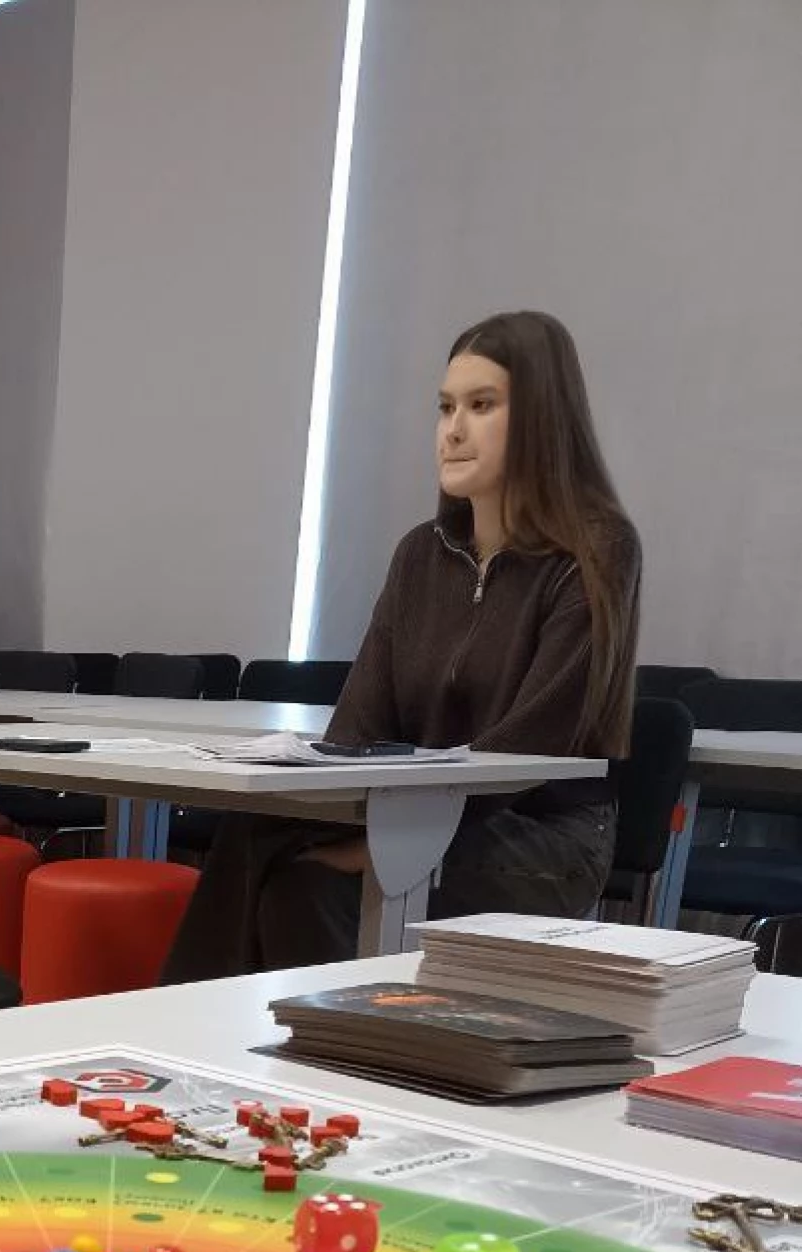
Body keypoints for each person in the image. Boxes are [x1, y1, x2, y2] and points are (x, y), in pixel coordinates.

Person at [164, 310, 641, 980]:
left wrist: (397, 844)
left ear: (542, 418)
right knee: (257, 827)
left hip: (543, 834)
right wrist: (328, 804)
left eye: (482, 405)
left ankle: (302, 1035)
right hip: (416, 809)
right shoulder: (420, 554)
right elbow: (359, 725)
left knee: (308, 885)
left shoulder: (596, 550)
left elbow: (535, 746)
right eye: (445, 407)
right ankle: (208, 1029)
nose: (453, 429)